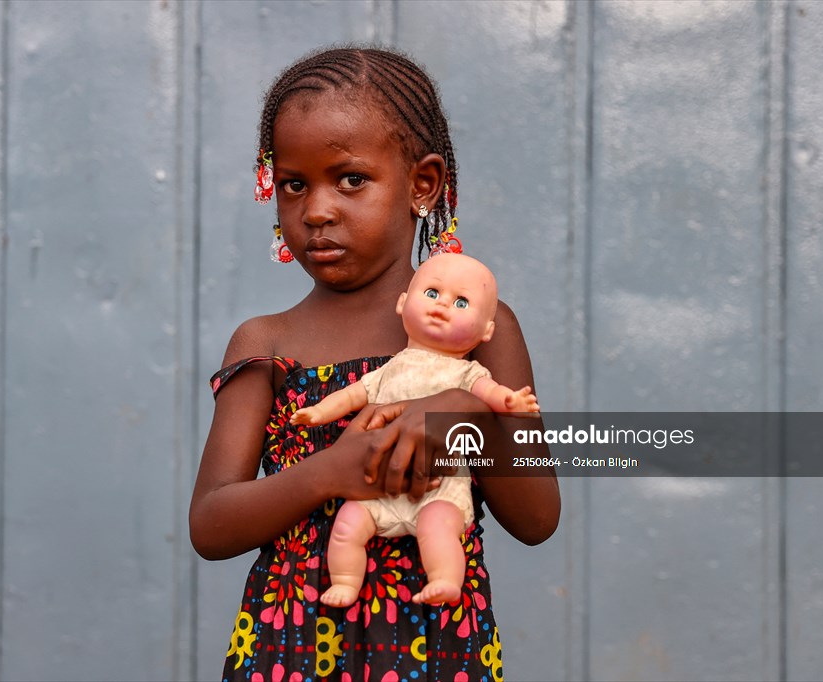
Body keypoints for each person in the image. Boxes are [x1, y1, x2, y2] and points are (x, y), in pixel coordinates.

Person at [190, 46, 560, 682]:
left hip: (436, 650)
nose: (316, 211)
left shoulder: (476, 337)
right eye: (294, 185)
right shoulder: (266, 341)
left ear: (422, 184)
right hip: (289, 654)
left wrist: (465, 414)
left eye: (350, 179)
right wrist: (330, 471)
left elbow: (536, 518)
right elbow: (211, 524)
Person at [290, 253, 541, 609]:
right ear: (403, 303)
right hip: (375, 493)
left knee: (438, 529)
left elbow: (490, 394)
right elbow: (352, 395)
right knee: (347, 527)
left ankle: (445, 581)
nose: (442, 306)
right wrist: (317, 412)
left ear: (487, 330)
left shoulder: (466, 374)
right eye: (432, 293)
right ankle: (346, 580)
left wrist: (511, 403)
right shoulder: (392, 369)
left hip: (439, 490)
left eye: (461, 302)